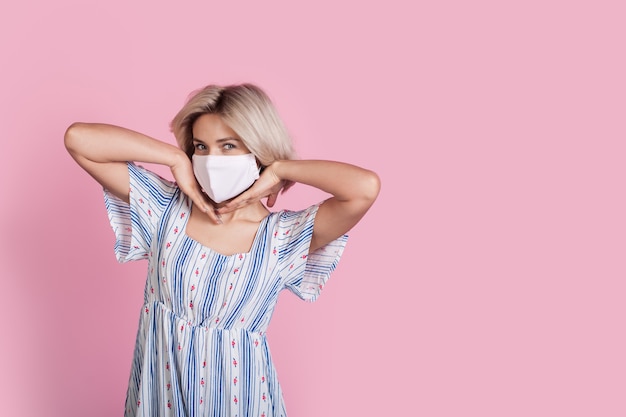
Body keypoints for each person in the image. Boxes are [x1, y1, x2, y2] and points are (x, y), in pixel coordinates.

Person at [64, 83, 380, 417]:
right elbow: (79, 139)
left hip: (241, 400)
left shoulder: (282, 238)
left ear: (259, 150)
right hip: (159, 398)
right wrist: (174, 158)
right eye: (202, 146)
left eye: (228, 146)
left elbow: (364, 188)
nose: (212, 160)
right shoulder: (165, 208)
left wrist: (281, 169)